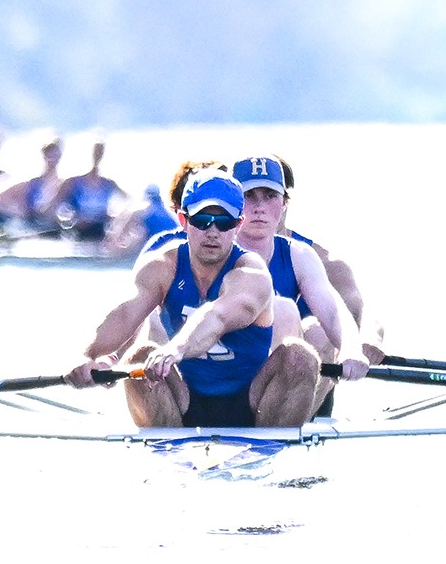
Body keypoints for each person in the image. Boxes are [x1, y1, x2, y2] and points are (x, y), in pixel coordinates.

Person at [64, 171, 330, 428]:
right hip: (184, 400)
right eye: (202, 220)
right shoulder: (160, 267)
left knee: (299, 355)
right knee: (140, 355)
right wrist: (86, 356)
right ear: (183, 220)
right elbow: (125, 315)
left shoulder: (252, 273)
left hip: (252, 402)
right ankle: (167, 449)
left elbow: (217, 316)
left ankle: (275, 448)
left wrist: (175, 348)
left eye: (224, 222)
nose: (212, 231)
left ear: (238, 225)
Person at [230, 153, 372, 382]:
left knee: (311, 328)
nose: (259, 207)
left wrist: (353, 348)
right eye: (249, 196)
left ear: (285, 202)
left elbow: (337, 311)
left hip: (287, 380)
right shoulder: (208, 250)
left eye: (270, 196)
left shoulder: (303, 254)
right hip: (220, 377)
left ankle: (290, 410)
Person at [0, 133, 65, 229]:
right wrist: (17, 212)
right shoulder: (30, 183)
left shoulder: (65, 184)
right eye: (49, 154)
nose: (52, 158)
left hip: (54, 229)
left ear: (60, 155)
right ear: (43, 156)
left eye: (55, 154)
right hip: (31, 228)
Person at [51, 136, 127, 242]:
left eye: (100, 152)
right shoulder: (73, 183)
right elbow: (54, 206)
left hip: (100, 231)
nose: (97, 156)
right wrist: (69, 221)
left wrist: (116, 218)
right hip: (78, 232)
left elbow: (129, 202)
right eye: (95, 152)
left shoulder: (108, 184)